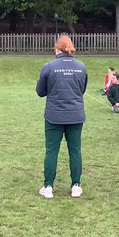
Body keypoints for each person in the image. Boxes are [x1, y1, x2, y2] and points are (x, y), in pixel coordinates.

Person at [36, 35, 88, 199]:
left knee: (51, 150)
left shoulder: (49, 66)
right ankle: (76, 186)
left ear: (57, 49)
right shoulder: (81, 66)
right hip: (75, 114)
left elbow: (40, 91)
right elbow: (82, 89)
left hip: (54, 116)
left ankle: (48, 186)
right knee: (75, 150)